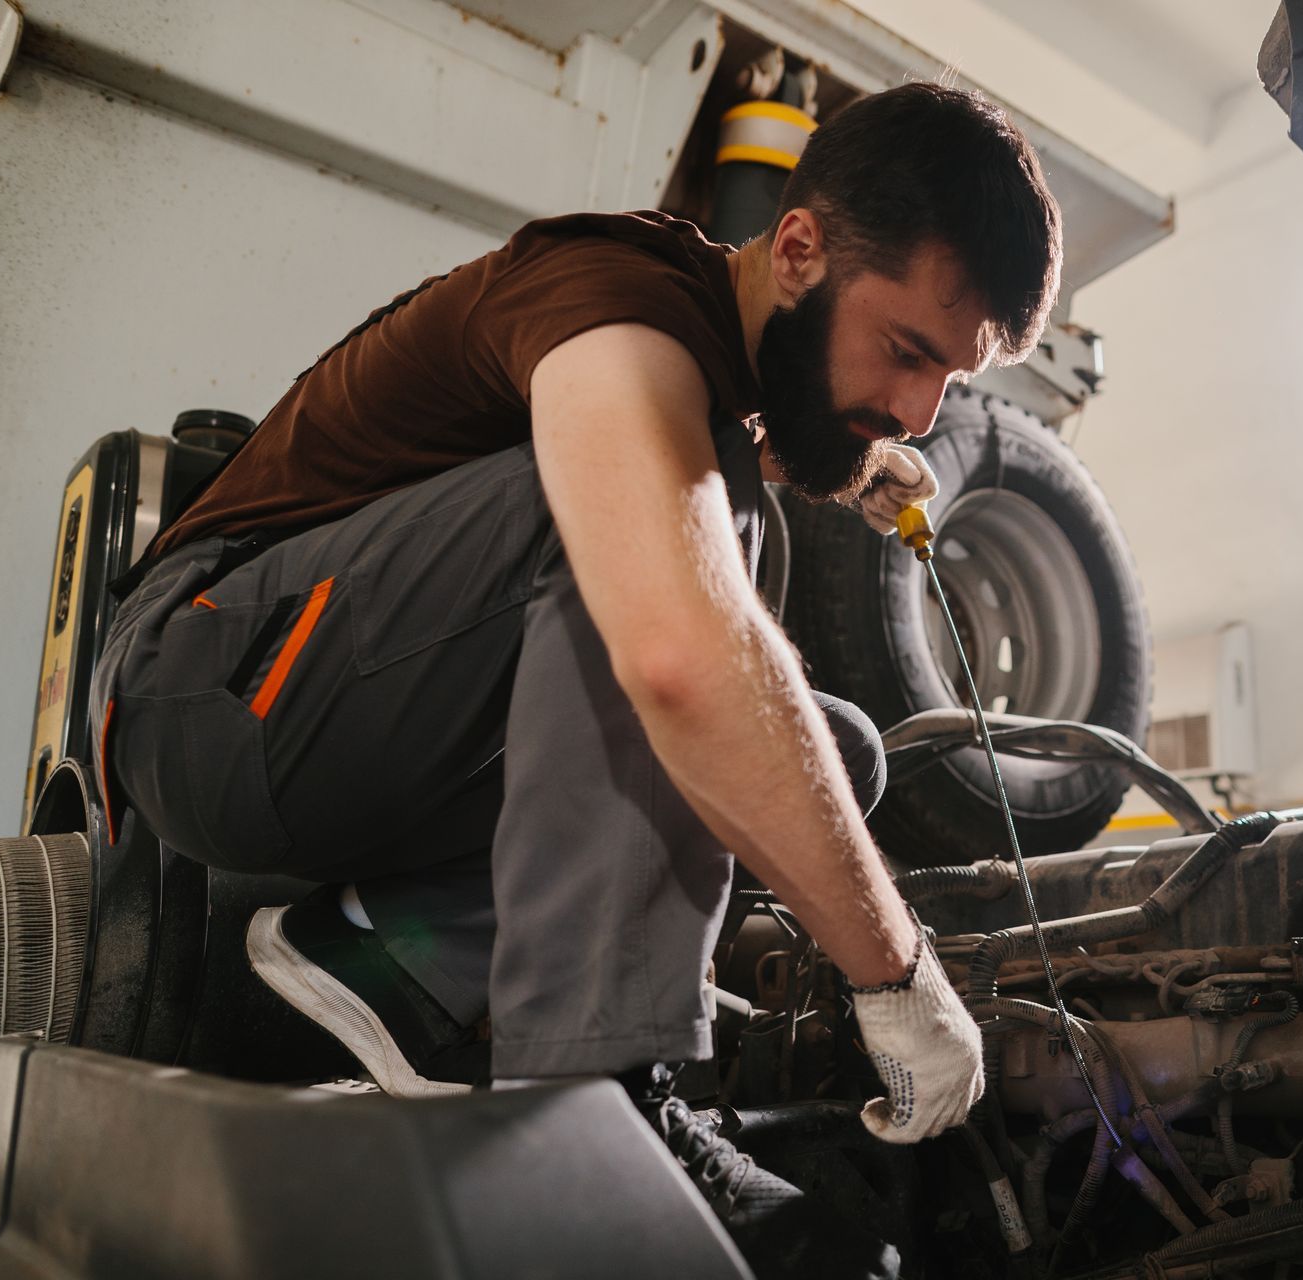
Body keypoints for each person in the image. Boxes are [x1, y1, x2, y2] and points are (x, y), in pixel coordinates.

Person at [89, 80, 1062, 1275]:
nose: (915, 407)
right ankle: (584, 1103)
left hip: (331, 720)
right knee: (678, 567)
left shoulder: (701, 373)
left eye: (947, 382)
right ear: (799, 246)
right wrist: (900, 972)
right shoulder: (623, 309)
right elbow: (673, 649)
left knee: (833, 749)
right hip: (199, 686)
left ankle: (400, 953)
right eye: (906, 351)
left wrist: (829, 454)